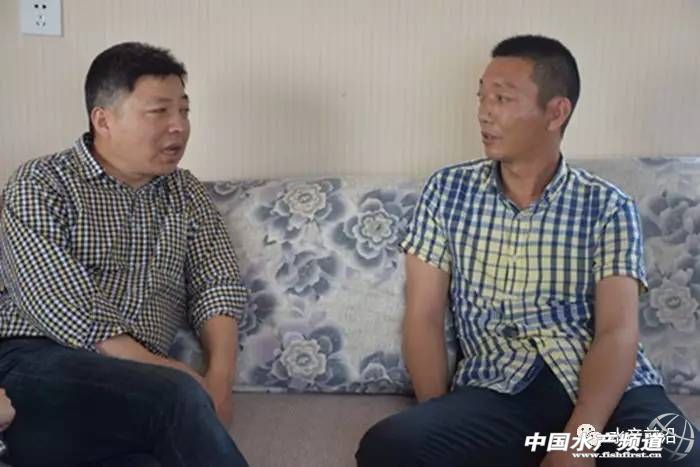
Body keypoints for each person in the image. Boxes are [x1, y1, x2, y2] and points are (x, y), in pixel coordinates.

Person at [356, 35, 699, 467]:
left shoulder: (607, 205)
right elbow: (424, 315)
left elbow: (617, 331)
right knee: (391, 447)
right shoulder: (447, 192)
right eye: (482, 97)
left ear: (556, 112)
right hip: (498, 392)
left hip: (605, 396)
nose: (484, 113)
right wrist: (437, 416)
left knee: (677, 454)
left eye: (502, 99)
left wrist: (580, 441)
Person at [0, 42, 249, 467]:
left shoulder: (186, 193)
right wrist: (167, 372)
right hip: (36, 364)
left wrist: (220, 381)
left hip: (131, 388)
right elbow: (54, 296)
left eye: (184, 111)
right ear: (103, 120)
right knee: (173, 396)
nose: (179, 126)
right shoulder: (41, 181)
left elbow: (217, 283)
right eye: (159, 111)